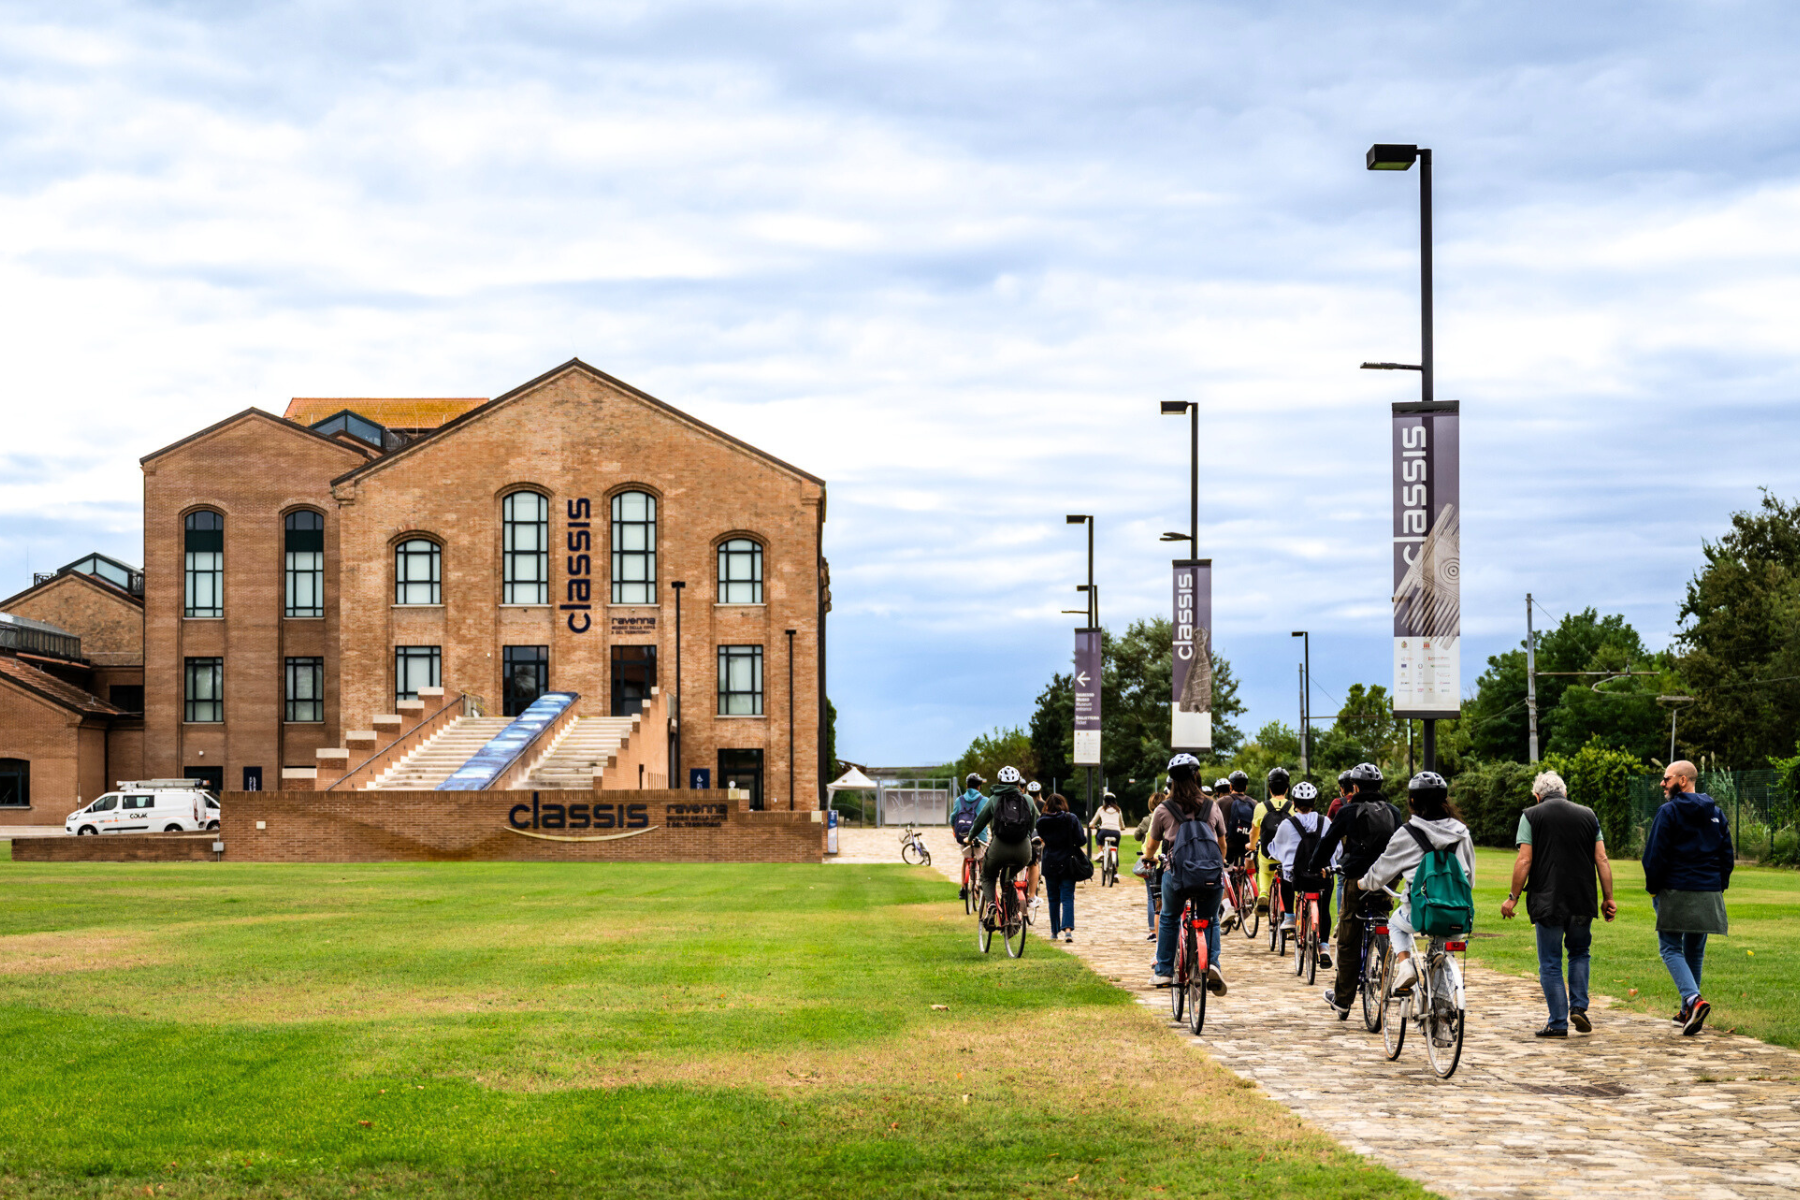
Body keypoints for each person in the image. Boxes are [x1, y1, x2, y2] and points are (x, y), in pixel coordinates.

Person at [1501, 769, 1618, 1038]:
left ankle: (1557, 1022)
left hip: (1547, 899)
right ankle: (1578, 1007)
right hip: (1582, 899)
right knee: (1579, 952)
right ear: (1565, 792)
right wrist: (1608, 898)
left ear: (1537, 795)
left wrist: (1512, 898)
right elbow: (1602, 859)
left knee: (1550, 962)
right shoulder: (1589, 814)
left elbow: (1524, 860)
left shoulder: (1531, 815)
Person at [1358, 771, 1474, 997]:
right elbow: (1469, 878)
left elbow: (1382, 869)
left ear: (1412, 801)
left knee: (1394, 923)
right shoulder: (1462, 833)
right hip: (1457, 914)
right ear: (1444, 800)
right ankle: (1443, 1011)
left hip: (1420, 913)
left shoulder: (1408, 833)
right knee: (1443, 952)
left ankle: (1405, 966)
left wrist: (1364, 883)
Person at [1641, 759, 1734, 1036]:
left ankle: (1694, 1000)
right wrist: (1718, 886)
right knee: (1695, 949)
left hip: (1675, 889)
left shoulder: (1668, 812)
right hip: (1708, 890)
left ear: (1682, 780)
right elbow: (1726, 856)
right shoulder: (1716, 812)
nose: (1662, 783)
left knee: (1669, 947)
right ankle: (1686, 1012)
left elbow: (1655, 854)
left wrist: (1653, 888)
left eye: (1666, 778)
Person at [1313, 763, 1402, 1016]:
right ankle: (1386, 964)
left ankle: (1342, 999)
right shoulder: (1394, 812)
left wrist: (1315, 867)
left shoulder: (1348, 811)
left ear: (1354, 787)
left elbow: (1327, 843)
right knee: (1383, 916)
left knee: (1348, 936)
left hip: (1357, 878)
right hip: (1388, 878)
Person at [1147, 753, 1229, 993]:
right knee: (1210, 919)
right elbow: (1222, 844)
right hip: (1210, 877)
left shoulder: (1163, 809)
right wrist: (1218, 864)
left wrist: (1150, 857)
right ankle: (1212, 963)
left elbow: (1151, 846)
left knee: (1170, 917)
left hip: (1177, 875)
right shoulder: (1212, 806)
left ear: (1171, 781)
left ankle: (1163, 971)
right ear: (1197, 776)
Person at [1269, 780, 1332, 968]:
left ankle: (1289, 916)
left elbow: (1275, 849)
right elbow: (1337, 850)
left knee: (1284, 876)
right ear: (1314, 802)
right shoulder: (1325, 822)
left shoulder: (1287, 824)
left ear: (1294, 803)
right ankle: (1325, 947)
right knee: (1325, 909)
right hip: (1322, 877)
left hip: (1298, 879)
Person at [966, 766, 1041, 923]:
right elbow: (1032, 825)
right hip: (1023, 851)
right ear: (1017, 783)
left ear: (999, 782)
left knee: (987, 874)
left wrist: (970, 836)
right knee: (1009, 875)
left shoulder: (994, 799)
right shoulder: (1027, 799)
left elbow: (979, 822)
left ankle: (992, 903)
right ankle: (1012, 909)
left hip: (999, 848)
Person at [1037, 793, 1085, 942]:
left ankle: (1054, 931)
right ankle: (1068, 930)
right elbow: (1082, 840)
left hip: (1049, 861)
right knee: (1067, 897)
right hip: (1068, 862)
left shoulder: (1041, 821)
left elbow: (1042, 838)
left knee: (1053, 898)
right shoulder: (1071, 819)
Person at [1250, 771, 1295, 913]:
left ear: (1270, 788)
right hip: (1288, 857)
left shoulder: (1261, 807)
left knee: (1263, 866)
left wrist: (1251, 845)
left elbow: (1254, 833)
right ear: (1287, 789)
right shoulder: (1293, 807)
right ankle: (1289, 912)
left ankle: (1264, 892)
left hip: (1268, 856)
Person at [1135, 795, 1162, 940]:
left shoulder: (1148, 819)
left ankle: (1153, 931)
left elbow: (1137, 836)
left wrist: (1147, 855)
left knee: (1153, 898)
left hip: (1152, 860)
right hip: (1169, 860)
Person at [1089, 791, 1124, 871]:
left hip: (1104, 831)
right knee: (1115, 851)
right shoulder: (1118, 810)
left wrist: (1091, 825)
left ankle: (1101, 851)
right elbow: (1122, 824)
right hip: (1116, 833)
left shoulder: (1101, 809)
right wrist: (1122, 827)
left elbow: (1093, 822)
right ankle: (1116, 874)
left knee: (1098, 836)